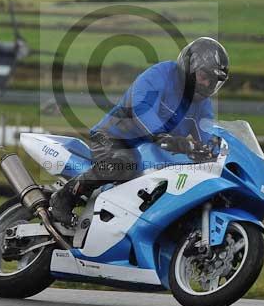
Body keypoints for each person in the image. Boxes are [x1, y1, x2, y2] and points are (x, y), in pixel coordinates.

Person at [49, 37, 230, 225]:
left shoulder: (202, 104)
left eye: (213, 81)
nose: (206, 84)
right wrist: (163, 137)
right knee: (126, 164)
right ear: (189, 66)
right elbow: (141, 107)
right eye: (204, 76)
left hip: (151, 150)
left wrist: (218, 151)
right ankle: (64, 197)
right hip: (113, 137)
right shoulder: (161, 74)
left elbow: (208, 132)